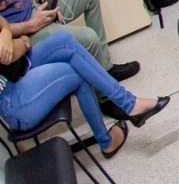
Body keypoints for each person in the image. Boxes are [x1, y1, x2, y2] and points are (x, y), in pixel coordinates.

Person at [0, 22, 169, 159]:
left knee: (64, 40)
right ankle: (107, 141)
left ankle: (129, 103)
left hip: (15, 70)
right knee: (77, 72)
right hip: (12, 103)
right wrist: (22, 41)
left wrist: (7, 34)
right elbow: (10, 51)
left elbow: (3, 25)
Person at [0, 0, 138, 81]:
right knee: (89, 38)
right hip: (25, 33)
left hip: (34, 9)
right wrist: (32, 25)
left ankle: (106, 69)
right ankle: (104, 99)